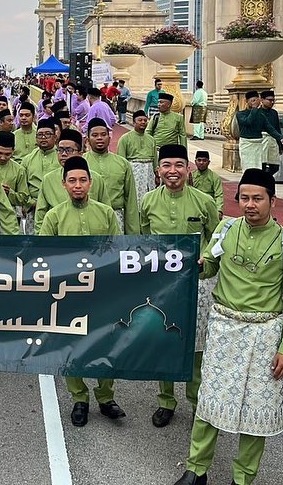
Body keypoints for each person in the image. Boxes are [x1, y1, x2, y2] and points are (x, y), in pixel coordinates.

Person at [174, 169, 283, 485]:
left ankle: (243, 478)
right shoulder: (225, 229)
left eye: (257, 198)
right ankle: (196, 471)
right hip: (223, 328)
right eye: (244, 197)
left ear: (273, 201)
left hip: (265, 333)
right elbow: (208, 269)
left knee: (256, 412)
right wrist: (197, 265)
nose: (250, 204)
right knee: (209, 401)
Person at [38, 155, 124, 428]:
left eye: (83, 180)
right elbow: (43, 257)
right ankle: (79, 398)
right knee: (71, 346)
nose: (78, 185)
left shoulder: (106, 213)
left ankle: (106, 397)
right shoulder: (54, 217)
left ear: (91, 182)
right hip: (67, 293)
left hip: (101, 292)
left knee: (106, 343)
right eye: (72, 180)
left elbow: (117, 251)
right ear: (63, 184)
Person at [140, 145, 220, 429]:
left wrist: (206, 257)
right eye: (166, 165)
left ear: (187, 168)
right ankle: (165, 401)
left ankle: (197, 401)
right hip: (162, 284)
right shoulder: (147, 201)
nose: (172, 171)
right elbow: (142, 238)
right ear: (158, 170)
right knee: (165, 339)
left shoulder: (204, 201)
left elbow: (216, 234)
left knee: (197, 345)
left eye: (178, 165)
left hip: (197, 283)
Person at [33, 129, 104, 232]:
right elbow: (40, 215)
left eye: (69, 150)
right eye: (60, 150)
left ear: (80, 153)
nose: (64, 154)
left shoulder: (96, 178)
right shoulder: (48, 179)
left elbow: (104, 209)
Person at [84, 118, 141, 234]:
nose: (99, 138)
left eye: (103, 134)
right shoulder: (81, 163)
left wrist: (133, 234)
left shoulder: (123, 163)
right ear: (88, 139)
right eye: (95, 135)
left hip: (116, 216)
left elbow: (130, 201)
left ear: (109, 138)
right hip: (87, 217)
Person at [0, 130, 30, 222]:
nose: (3, 157)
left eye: (8, 154)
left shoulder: (19, 170)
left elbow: (24, 198)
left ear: (13, 151)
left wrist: (9, 193)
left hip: (10, 217)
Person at [235, 91, 283, 172]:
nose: (254, 103)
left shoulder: (262, 115)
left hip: (259, 143)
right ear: (246, 101)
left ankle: (264, 181)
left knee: (262, 167)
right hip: (247, 143)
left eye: (255, 101)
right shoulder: (240, 114)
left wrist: (280, 139)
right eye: (252, 100)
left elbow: (270, 128)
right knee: (249, 169)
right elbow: (248, 122)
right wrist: (254, 109)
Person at [117, 110, 158, 205]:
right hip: (134, 171)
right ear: (134, 122)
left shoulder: (151, 139)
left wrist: (157, 174)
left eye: (145, 120)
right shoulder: (125, 138)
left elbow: (155, 159)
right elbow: (121, 160)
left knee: (150, 198)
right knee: (134, 198)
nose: (143, 122)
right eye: (140, 120)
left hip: (149, 172)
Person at [146, 92, 188, 164]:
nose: (158, 104)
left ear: (168, 104)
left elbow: (182, 136)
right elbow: (148, 133)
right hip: (156, 150)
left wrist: (184, 154)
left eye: (161, 102)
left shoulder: (179, 118)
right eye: (158, 102)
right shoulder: (155, 116)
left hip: (172, 151)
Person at [190, 151, 224, 215]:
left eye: (204, 160)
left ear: (208, 162)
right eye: (199, 160)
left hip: (209, 206)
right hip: (194, 206)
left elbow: (219, 195)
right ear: (195, 162)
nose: (201, 163)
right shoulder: (190, 176)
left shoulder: (214, 177)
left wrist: (219, 210)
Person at [258, 90, 282, 175]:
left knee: (275, 165)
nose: (272, 102)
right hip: (261, 140)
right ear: (262, 100)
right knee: (262, 164)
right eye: (269, 100)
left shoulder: (274, 113)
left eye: (273, 100)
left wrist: (280, 144)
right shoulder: (257, 112)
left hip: (273, 140)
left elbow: (277, 128)